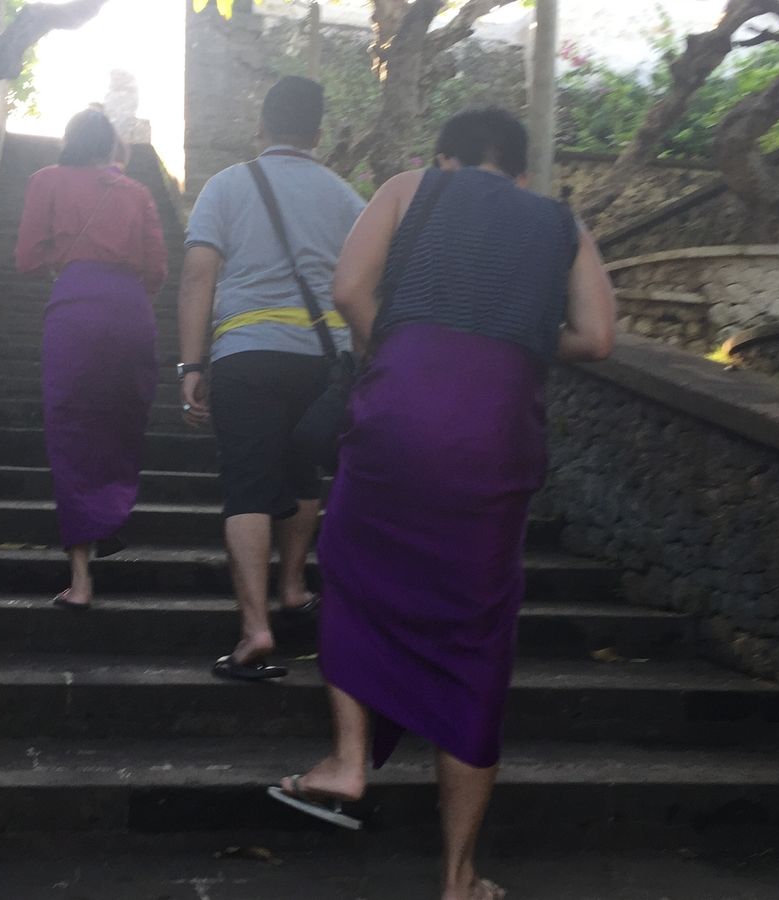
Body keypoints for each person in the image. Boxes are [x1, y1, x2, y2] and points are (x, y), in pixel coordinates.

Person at [269, 109, 616, 899]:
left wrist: (395, 347)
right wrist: (523, 338)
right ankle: (458, 877)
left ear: (444, 158)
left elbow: (348, 289)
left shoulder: (410, 188)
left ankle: (348, 762)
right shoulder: (560, 222)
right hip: (494, 432)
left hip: (400, 408)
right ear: (521, 172)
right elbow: (598, 338)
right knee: (475, 636)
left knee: (353, 573)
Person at [178, 77, 366, 680]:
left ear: (260, 127)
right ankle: (292, 587)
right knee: (303, 471)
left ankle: (255, 629)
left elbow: (197, 276)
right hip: (323, 358)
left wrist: (191, 365)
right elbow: (366, 287)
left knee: (247, 485)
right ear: (318, 135)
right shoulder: (348, 199)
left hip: (246, 353)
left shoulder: (226, 186)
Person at [15, 109, 168, 609]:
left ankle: (81, 581)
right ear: (111, 147)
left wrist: (66, 265)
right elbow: (158, 270)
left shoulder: (47, 180)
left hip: (76, 308)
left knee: (72, 431)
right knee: (122, 421)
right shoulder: (137, 193)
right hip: (130, 311)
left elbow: (26, 259)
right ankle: (110, 513)